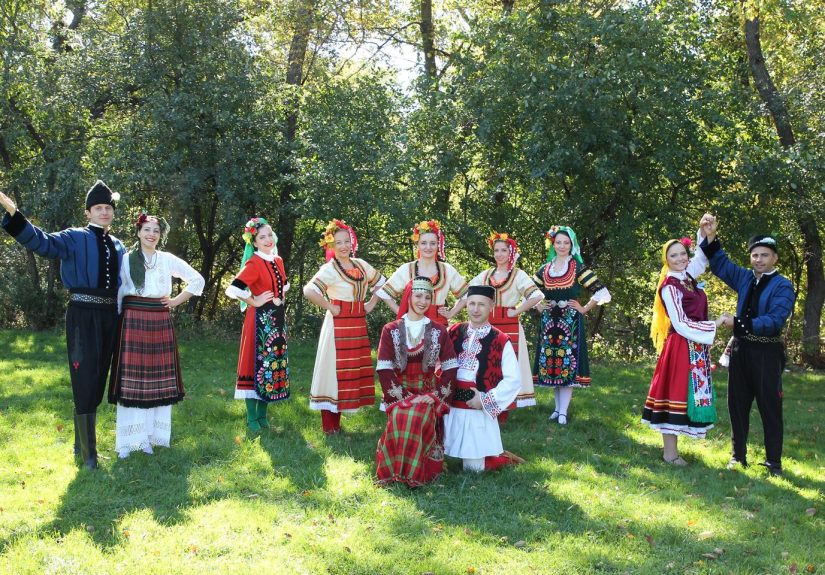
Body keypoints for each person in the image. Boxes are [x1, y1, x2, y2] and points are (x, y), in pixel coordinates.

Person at [1, 182, 126, 469]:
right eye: (98, 208)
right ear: (88, 212)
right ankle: (89, 456)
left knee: (99, 378)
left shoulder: (118, 244)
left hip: (110, 316)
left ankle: (82, 447)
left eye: (108, 208)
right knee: (84, 378)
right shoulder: (74, 237)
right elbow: (42, 242)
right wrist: (14, 215)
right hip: (83, 315)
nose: (104, 212)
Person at [700, 214, 795, 476]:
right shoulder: (745, 278)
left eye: (764, 255)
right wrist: (710, 236)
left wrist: (738, 322)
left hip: (767, 353)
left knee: (770, 407)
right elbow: (721, 264)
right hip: (740, 350)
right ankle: (737, 457)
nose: (759, 259)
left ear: (774, 258)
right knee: (737, 405)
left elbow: (774, 321)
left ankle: (773, 463)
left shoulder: (783, 286)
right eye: (755, 255)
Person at [109, 213, 204, 458]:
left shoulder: (166, 259)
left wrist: (174, 301)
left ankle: (151, 437)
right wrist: (117, 322)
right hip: (132, 320)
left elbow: (197, 280)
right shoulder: (126, 259)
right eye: (147, 230)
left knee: (156, 381)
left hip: (159, 319)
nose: (151, 234)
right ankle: (129, 441)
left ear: (161, 235)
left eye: (156, 231)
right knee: (132, 381)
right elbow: (118, 292)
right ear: (138, 232)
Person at [641, 230, 725, 465]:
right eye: (673, 255)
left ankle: (673, 452)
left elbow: (701, 258)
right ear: (666, 260)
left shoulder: (686, 277)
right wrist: (714, 324)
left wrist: (703, 232)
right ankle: (670, 454)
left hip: (695, 345)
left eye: (682, 254)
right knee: (674, 396)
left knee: (686, 396)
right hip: (680, 346)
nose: (680, 258)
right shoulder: (670, 286)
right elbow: (680, 323)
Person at [444, 232, 542, 423]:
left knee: (508, 365)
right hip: (486, 322)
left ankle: (505, 404)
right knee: (487, 363)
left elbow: (537, 295)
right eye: (496, 250)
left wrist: (517, 310)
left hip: (509, 324)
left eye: (503, 250)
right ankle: (485, 397)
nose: (499, 254)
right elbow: (467, 294)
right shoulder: (487, 274)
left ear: (511, 253)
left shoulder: (518, 275)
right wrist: (451, 313)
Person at [375, 277, 459, 486]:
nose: (423, 301)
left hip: (427, 393)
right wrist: (404, 397)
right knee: (401, 414)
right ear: (408, 297)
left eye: (427, 297)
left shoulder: (439, 330)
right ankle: (395, 471)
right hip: (399, 392)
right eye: (418, 296)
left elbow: (450, 367)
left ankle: (415, 472)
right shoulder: (390, 329)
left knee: (416, 416)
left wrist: (435, 396)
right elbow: (384, 369)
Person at [303, 219, 384, 434]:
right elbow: (309, 290)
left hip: (357, 322)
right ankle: (330, 426)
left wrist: (370, 303)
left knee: (350, 371)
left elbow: (382, 283)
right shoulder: (329, 269)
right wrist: (330, 306)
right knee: (332, 371)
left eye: (347, 241)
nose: (344, 246)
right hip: (337, 325)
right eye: (338, 242)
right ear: (331, 245)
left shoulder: (361, 265)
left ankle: (337, 422)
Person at [533, 226, 611, 424]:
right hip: (549, 322)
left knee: (566, 363)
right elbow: (529, 290)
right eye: (558, 242)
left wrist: (583, 309)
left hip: (570, 321)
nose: (562, 246)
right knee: (553, 365)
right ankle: (557, 409)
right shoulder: (545, 268)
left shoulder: (577, 267)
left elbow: (601, 291)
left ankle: (563, 412)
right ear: (553, 244)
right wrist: (538, 306)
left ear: (571, 244)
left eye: (566, 243)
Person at [443, 285, 524, 472]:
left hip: (476, 409)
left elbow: (513, 380)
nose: (475, 309)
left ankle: (502, 458)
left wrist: (485, 400)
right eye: (471, 303)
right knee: (438, 458)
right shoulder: (453, 331)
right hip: (450, 406)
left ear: (491, 306)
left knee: (473, 469)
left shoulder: (500, 339)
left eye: (481, 304)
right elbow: (439, 362)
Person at [225, 217, 290, 434]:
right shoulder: (254, 263)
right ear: (254, 242)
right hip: (258, 322)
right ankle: (251, 417)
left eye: (270, 235)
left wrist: (277, 299)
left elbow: (284, 285)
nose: (268, 239)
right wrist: (254, 301)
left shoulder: (277, 260)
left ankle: (263, 415)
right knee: (255, 365)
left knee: (270, 366)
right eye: (262, 237)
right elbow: (233, 289)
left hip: (276, 321)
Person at [377, 219, 467, 326]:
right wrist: (402, 312)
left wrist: (451, 313)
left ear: (438, 245)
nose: (428, 247)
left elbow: (467, 293)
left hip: (439, 325)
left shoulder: (447, 270)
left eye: (433, 243)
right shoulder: (407, 269)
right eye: (424, 243)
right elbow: (385, 293)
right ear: (417, 245)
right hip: (412, 324)